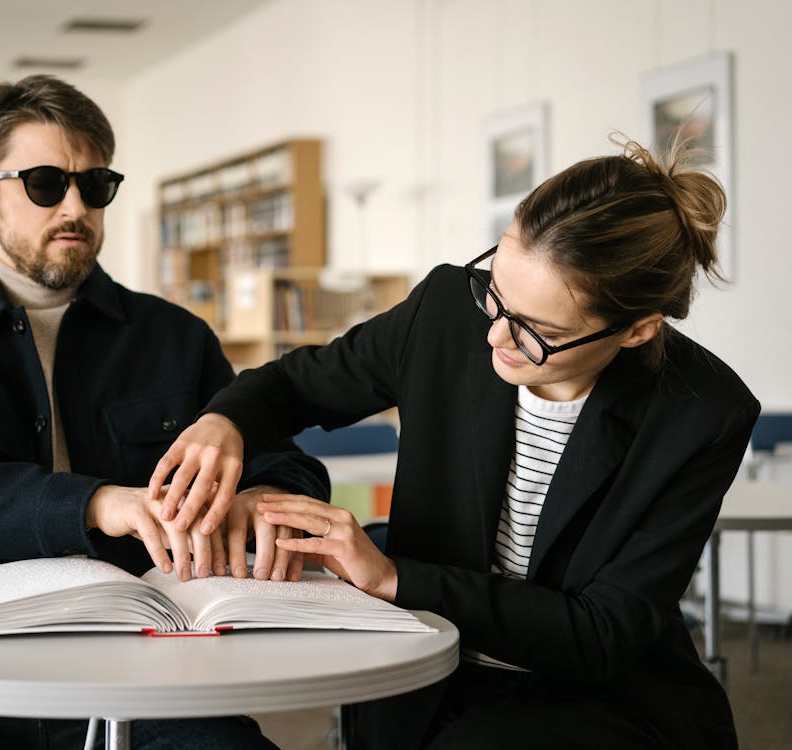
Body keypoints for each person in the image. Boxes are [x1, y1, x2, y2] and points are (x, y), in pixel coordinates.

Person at [151, 136, 759, 749]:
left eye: (537, 331)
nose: (495, 336)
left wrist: (391, 576)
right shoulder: (446, 312)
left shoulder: (701, 413)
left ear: (637, 330)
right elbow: (291, 384)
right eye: (495, 295)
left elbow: (601, 634)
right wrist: (223, 424)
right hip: (425, 665)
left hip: (594, 696)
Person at [0, 73, 328, 750]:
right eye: (44, 184)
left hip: (148, 674)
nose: (75, 206)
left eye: (94, 186)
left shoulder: (176, 340)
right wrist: (98, 504)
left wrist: (263, 497)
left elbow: (280, 460)